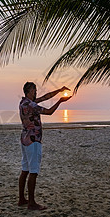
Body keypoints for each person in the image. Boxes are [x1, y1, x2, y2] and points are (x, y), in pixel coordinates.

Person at [18, 82, 72, 210]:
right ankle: (31, 203)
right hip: (33, 140)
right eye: (34, 90)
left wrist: (59, 90)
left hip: (25, 139)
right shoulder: (31, 105)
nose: (36, 92)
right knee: (33, 171)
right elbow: (49, 112)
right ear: (29, 91)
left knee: (25, 169)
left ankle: (21, 199)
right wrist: (60, 101)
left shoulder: (23, 102)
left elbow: (45, 97)